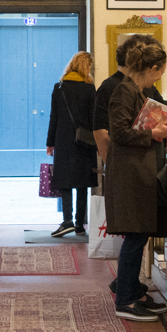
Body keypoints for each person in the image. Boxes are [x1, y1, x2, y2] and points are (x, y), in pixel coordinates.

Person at [105, 38, 167, 321]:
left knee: (139, 234)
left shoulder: (134, 91)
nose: (159, 78)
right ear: (152, 68)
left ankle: (133, 291)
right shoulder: (123, 92)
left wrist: (159, 130)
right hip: (130, 175)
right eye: (160, 72)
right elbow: (119, 133)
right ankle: (125, 300)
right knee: (134, 237)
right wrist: (153, 134)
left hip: (138, 172)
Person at [93, 35, 167, 161]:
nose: (159, 77)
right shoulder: (113, 87)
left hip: (146, 158)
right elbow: (102, 131)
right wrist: (109, 164)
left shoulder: (146, 86)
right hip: (127, 161)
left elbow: (165, 113)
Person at [44, 51, 97, 238]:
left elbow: (54, 117)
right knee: (82, 182)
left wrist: (50, 142)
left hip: (63, 140)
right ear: (86, 67)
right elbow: (94, 119)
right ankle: (79, 224)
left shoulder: (59, 88)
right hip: (85, 141)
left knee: (65, 180)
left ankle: (67, 221)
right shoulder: (90, 89)